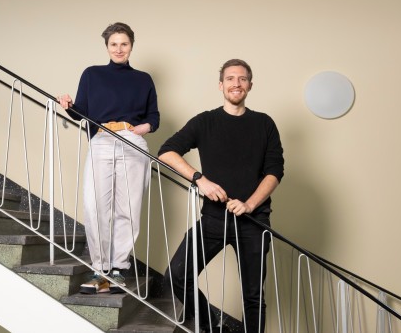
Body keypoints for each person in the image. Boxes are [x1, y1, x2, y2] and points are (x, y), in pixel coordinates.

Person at [158, 59, 283, 332]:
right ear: (220, 85)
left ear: (250, 85)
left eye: (242, 79)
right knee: (177, 276)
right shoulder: (205, 121)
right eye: (230, 78)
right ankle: (210, 325)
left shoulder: (264, 123)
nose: (236, 83)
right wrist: (199, 179)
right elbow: (166, 151)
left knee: (253, 297)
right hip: (214, 218)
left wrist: (250, 204)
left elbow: (274, 172)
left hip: (254, 224)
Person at [57, 22, 159, 294]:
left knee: (128, 208)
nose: (119, 49)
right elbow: (82, 112)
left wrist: (142, 128)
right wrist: (69, 105)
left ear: (131, 46)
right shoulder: (92, 74)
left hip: (132, 141)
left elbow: (154, 118)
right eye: (114, 44)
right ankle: (100, 270)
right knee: (95, 206)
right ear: (107, 47)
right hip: (102, 140)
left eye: (124, 44)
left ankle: (118, 270)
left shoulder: (144, 79)